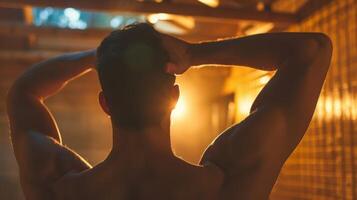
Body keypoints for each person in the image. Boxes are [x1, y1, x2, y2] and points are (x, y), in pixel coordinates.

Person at [7, 23, 332, 200]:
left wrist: (102, 58)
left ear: (105, 103)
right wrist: (194, 53)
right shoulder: (226, 182)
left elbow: (25, 92)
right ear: (173, 98)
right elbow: (311, 50)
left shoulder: (59, 186)